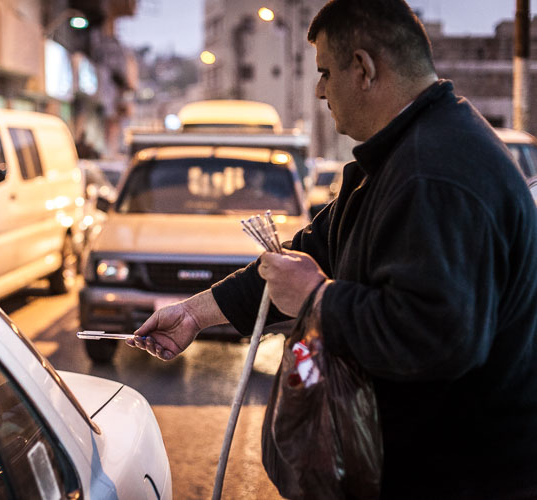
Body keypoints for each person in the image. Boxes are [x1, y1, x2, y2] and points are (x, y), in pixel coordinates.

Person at [127, 0, 537, 497]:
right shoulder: (399, 156)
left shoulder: (436, 173)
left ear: (363, 68)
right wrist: (197, 312)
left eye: (325, 72)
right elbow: (308, 252)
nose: (319, 89)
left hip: (458, 477)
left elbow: (439, 336)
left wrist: (318, 300)